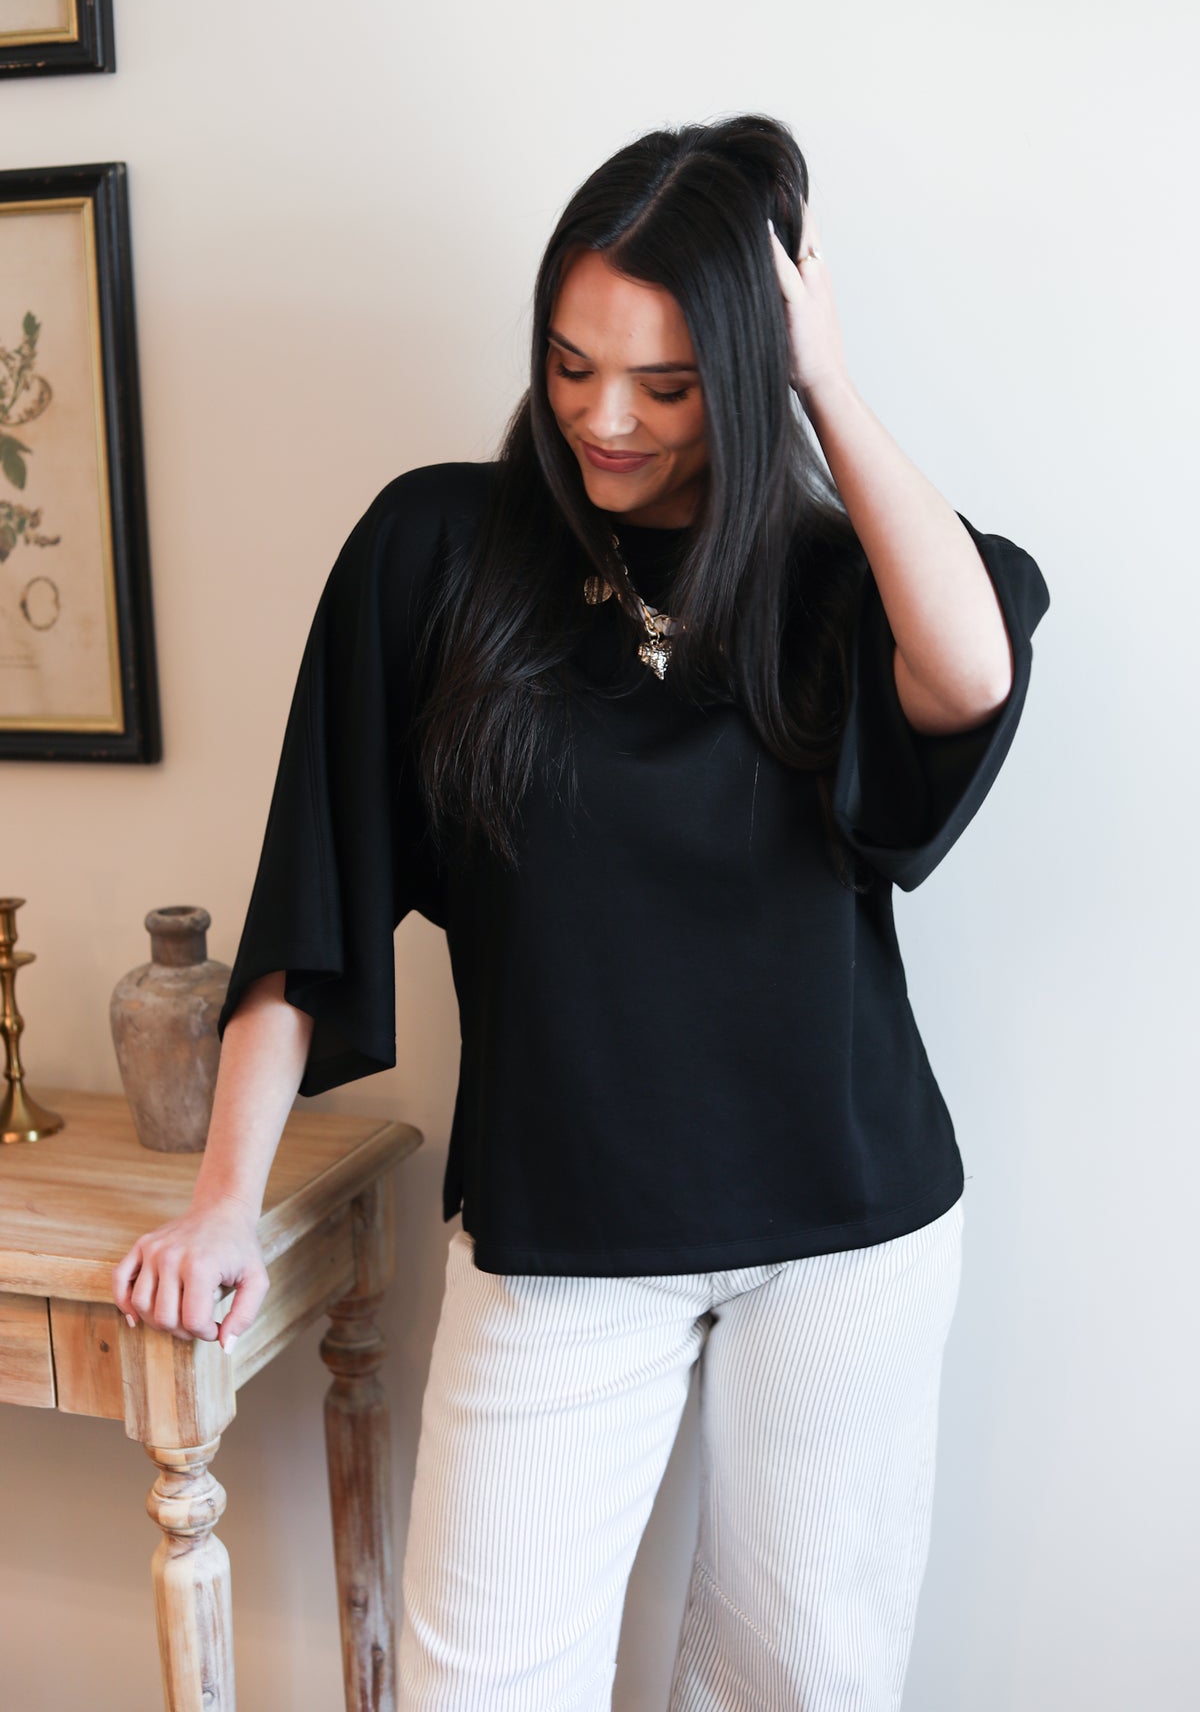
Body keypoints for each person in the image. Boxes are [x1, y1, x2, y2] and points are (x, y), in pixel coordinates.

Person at [112, 113, 1050, 1711]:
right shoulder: (437, 554)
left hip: (849, 1224)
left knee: (803, 1679)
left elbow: (970, 675)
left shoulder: (833, 584)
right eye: (570, 363)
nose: (605, 418)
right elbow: (314, 892)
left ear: (745, 374)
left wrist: (823, 375)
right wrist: (221, 1200)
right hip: (564, 1226)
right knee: (484, 1682)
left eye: (668, 385)